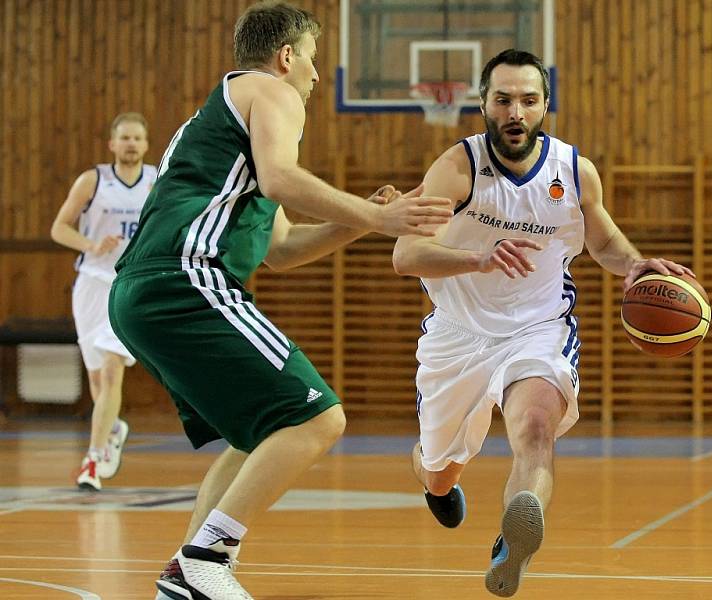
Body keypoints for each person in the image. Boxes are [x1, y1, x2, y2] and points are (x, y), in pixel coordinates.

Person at [107, 3, 452, 599]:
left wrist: (366, 223)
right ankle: (203, 560)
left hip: (143, 290)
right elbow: (280, 180)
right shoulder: (268, 90)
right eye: (314, 61)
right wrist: (379, 214)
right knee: (318, 417)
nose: (317, 77)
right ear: (286, 57)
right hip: (185, 277)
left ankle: (185, 576)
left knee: (258, 435)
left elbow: (282, 249)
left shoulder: (226, 125)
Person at [392, 49, 693, 597]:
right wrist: (478, 259)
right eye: (503, 100)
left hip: (537, 327)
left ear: (545, 106)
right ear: (483, 104)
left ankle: (514, 543)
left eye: (528, 101)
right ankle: (432, 476)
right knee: (440, 470)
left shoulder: (573, 172)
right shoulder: (457, 167)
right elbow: (406, 255)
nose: (516, 112)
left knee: (534, 429)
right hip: (456, 335)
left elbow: (601, 239)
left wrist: (634, 265)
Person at [51, 112, 155, 492]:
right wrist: (92, 245)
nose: (130, 144)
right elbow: (59, 228)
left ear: (146, 145)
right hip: (92, 284)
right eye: (124, 138)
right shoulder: (93, 181)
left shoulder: (156, 183)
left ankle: (92, 460)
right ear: (112, 144)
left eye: (137, 138)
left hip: (130, 286)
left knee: (113, 370)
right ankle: (112, 429)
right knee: (97, 379)